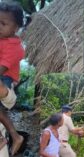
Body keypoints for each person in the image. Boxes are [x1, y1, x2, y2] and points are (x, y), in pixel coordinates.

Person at [0, 1, 25, 155]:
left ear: (16, 27)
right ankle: (14, 136)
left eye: (3, 23)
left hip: (5, 79)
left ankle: (14, 136)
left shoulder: (15, 47)